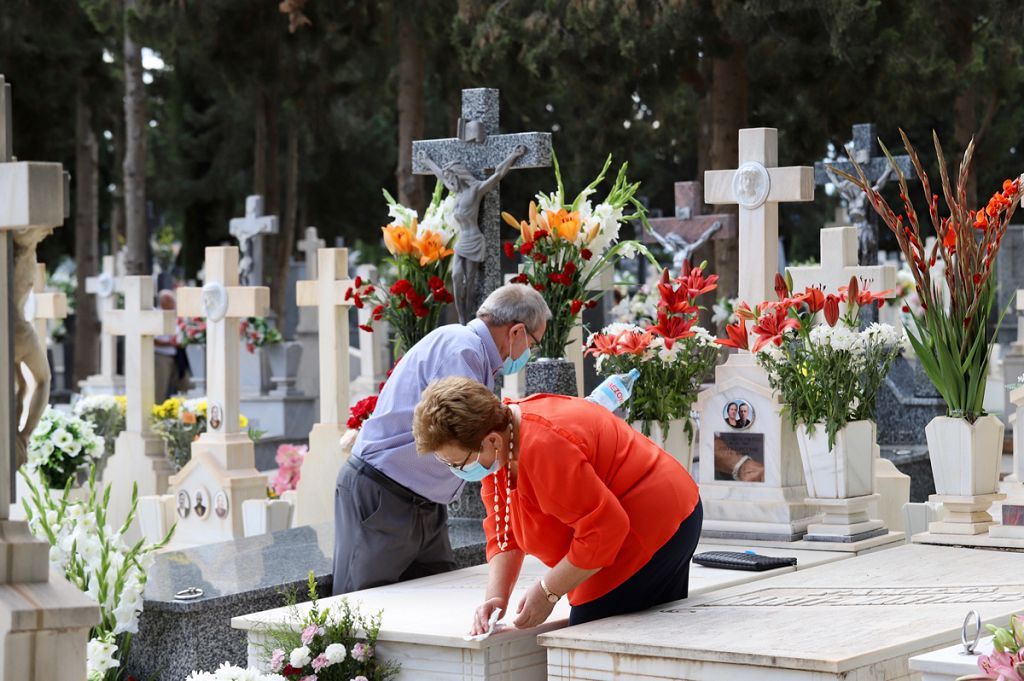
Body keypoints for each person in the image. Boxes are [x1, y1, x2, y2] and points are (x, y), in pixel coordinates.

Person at [413, 377, 703, 630]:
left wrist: (548, 592)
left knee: (591, 638)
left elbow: (604, 530)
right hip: (633, 520)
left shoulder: (542, 447)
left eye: (456, 462)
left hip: (655, 522)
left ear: (491, 441)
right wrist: (495, 598)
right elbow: (503, 529)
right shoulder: (499, 440)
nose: (457, 470)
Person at [332, 283, 551, 595]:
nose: (529, 352)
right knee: (364, 608)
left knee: (437, 598)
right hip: (383, 493)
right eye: (534, 342)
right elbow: (467, 434)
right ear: (516, 332)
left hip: (422, 501)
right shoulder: (461, 348)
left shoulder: (473, 353)